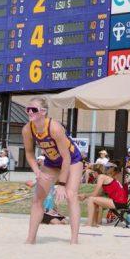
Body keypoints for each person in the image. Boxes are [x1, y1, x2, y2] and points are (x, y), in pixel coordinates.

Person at [21, 97, 82, 244]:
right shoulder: (27, 129)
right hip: (51, 162)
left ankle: (74, 240)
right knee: (37, 199)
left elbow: (66, 158)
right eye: (27, 109)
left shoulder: (54, 127)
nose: (30, 112)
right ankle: (30, 239)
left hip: (72, 160)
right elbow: (29, 153)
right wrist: (37, 171)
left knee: (71, 194)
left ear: (43, 112)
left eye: (33, 109)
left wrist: (61, 184)